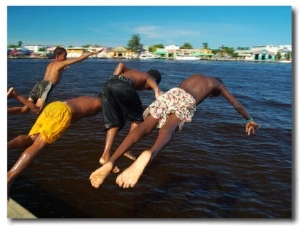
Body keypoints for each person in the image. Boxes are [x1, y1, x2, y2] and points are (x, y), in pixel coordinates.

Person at [89, 73, 260, 189]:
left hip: (172, 93)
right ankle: (150, 153)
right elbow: (235, 103)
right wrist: (249, 119)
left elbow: (181, 90)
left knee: (145, 126)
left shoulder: (196, 76)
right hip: (187, 100)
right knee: (168, 129)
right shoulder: (217, 84)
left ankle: (111, 160)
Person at [7, 87, 103, 199]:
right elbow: (111, 123)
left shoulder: (89, 97)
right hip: (63, 113)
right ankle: (9, 178)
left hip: (55, 106)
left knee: (32, 139)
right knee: (38, 146)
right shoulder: (102, 103)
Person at [98, 62, 162, 166]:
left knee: (114, 122)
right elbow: (153, 84)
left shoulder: (133, 72)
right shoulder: (148, 77)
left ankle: (105, 155)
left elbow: (121, 65)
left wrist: (114, 78)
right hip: (123, 86)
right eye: (148, 88)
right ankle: (127, 149)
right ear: (155, 79)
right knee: (139, 117)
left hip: (108, 85)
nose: (147, 89)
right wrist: (156, 91)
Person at [7, 46, 103, 115]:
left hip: (39, 84)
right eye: (64, 56)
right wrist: (91, 53)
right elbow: (78, 60)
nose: (66, 58)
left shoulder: (51, 64)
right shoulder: (60, 64)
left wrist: (63, 68)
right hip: (46, 86)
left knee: (24, 110)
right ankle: (15, 94)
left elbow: (54, 73)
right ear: (57, 56)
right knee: (38, 110)